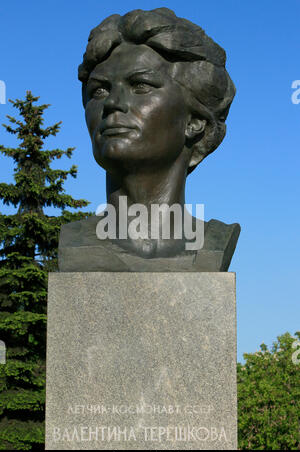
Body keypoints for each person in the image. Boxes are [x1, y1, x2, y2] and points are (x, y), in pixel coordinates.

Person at [59, 7, 240, 272]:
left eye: (141, 86)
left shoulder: (214, 246)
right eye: (99, 90)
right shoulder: (74, 243)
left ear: (194, 123)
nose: (112, 103)